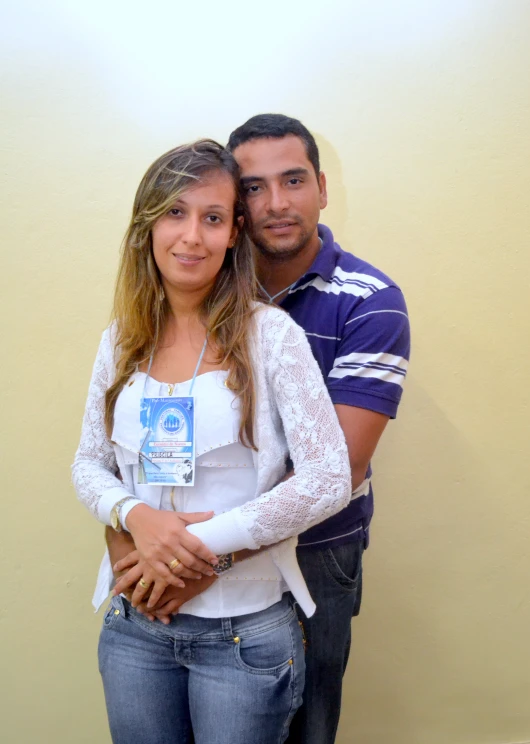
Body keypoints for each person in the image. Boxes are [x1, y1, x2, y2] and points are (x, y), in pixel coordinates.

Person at [107, 115, 411, 743]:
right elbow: (115, 454)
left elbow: (338, 470)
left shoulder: (367, 301)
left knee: (307, 723)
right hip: (173, 561)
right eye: (254, 186)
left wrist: (184, 560)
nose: (275, 202)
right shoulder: (178, 302)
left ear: (322, 188)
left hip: (318, 551)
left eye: (293, 180)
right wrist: (136, 538)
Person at [71, 139, 352, 744]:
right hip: (135, 628)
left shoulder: (271, 337)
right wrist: (134, 514)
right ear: (146, 226)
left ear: (234, 235)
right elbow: (89, 464)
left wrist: (193, 546)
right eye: (175, 212)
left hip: (242, 635)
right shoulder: (121, 340)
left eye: (213, 217)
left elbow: (330, 477)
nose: (191, 236)